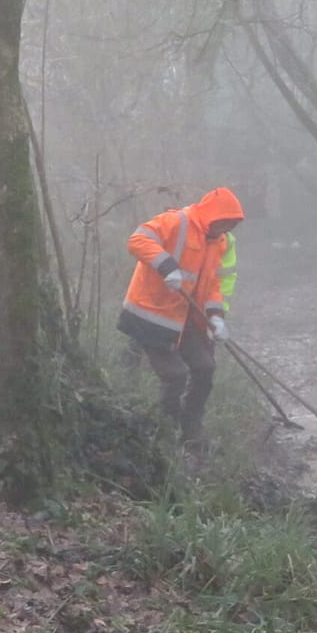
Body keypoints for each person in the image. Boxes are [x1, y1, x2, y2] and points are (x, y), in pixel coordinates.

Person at [117, 187, 245, 448]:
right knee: (175, 375)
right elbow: (138, 240)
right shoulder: (177, 221)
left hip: (182, 316)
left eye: (231, 225)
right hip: (150, 314)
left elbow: (211, 286)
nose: (226, 229)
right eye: (225, 222)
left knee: (205, 367)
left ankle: (191, 428)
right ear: (213, 215)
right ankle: (167, 431)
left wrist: (216, 317)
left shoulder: (218, 242)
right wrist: (165, 266)